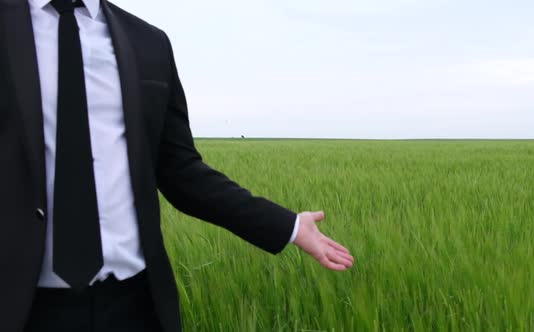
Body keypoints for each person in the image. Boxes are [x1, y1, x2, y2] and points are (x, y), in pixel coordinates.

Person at [0, 0, 354, 331]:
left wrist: (288, 226)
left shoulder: (148, 42)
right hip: (22, 305)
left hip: (135, 304)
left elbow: (180, 170)